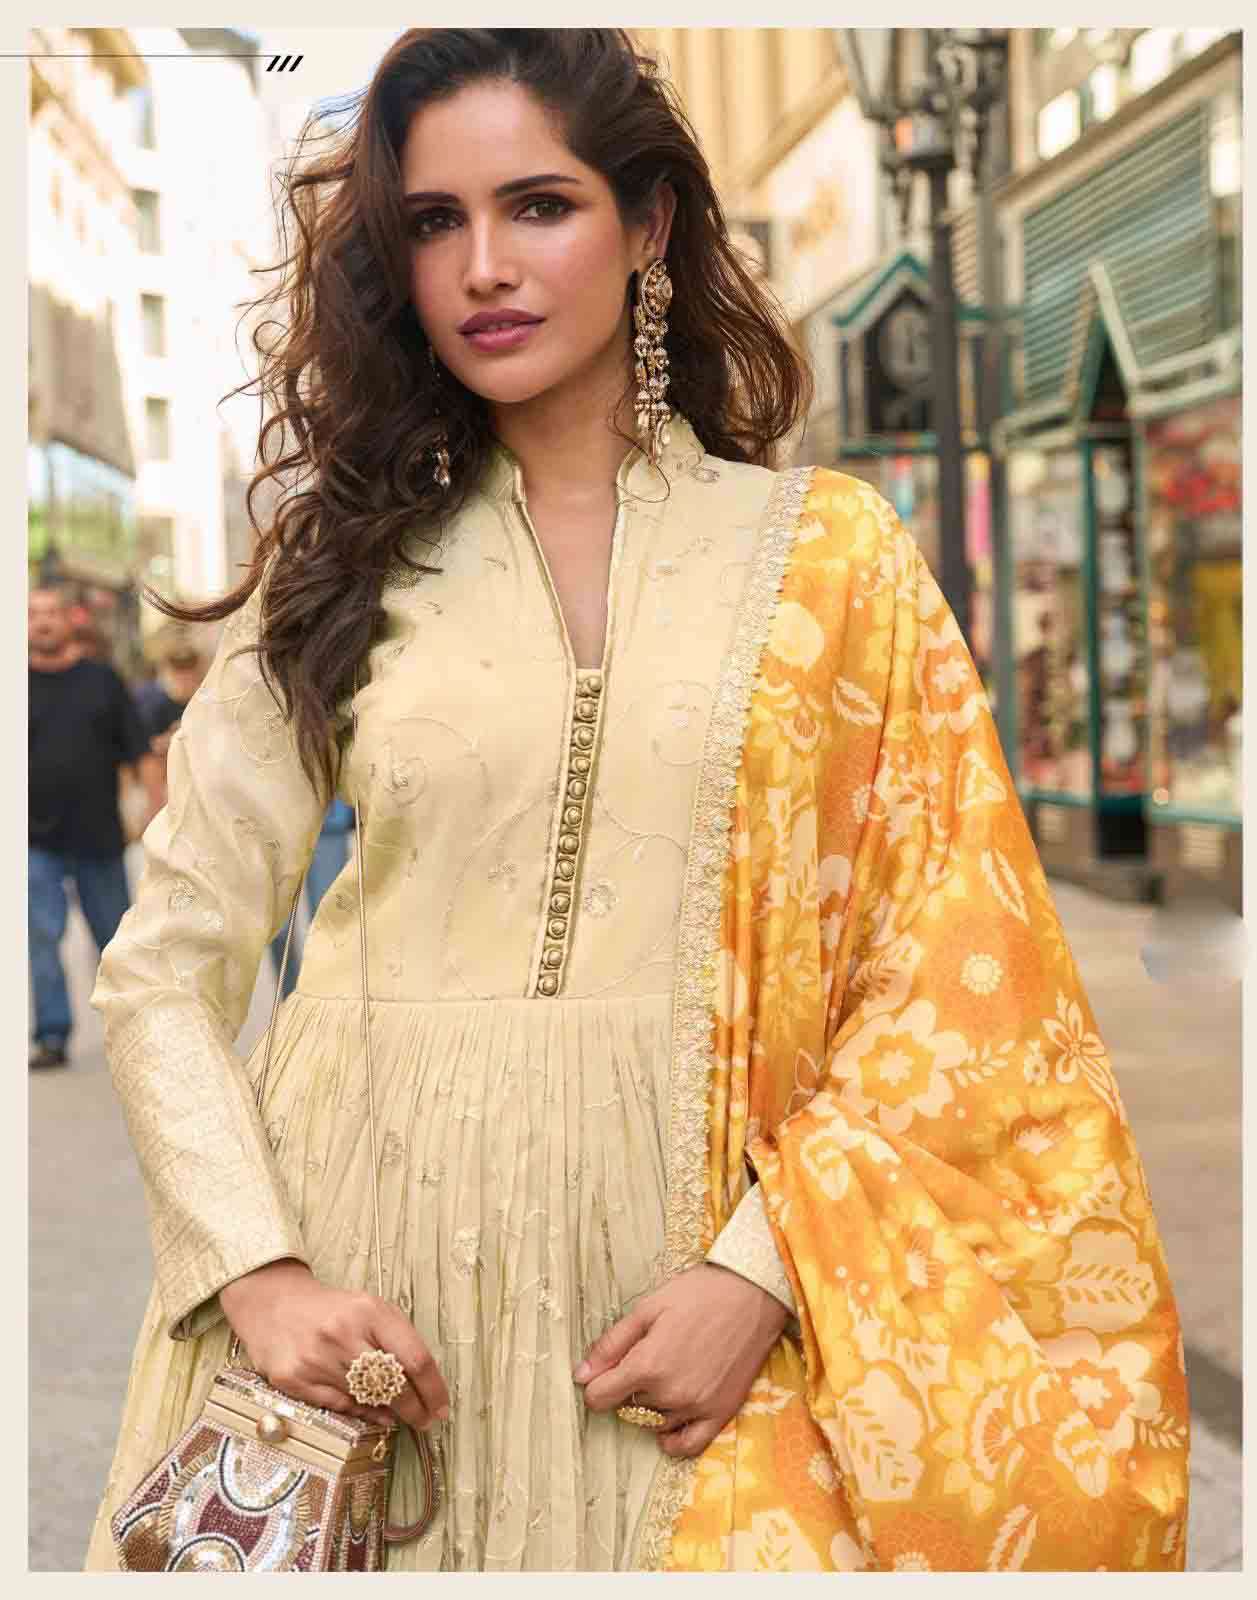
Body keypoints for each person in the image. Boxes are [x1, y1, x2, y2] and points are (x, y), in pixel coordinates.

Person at [86, 30, 1188, 1572]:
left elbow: (957, 975)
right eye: (434, 222)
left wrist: (764, 1269)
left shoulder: (830, 557)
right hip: (360, 1300)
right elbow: (165, 966)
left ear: (648, 224)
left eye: (539, 206)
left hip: (688, 1292)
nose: (484, 266)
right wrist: (257, 1273)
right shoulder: (335, 571)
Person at [28, 583, 162, 1070]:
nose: (42, 621)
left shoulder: (102, 681)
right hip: (31, 840)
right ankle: (52, 1036)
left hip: (99, 837)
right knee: (40, 937)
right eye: (33, 614)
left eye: (51, 612)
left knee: (114, 940)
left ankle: (128, 1027)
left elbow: (140, 752)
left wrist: (157, 816)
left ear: (71, 620)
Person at [267, 798, 355, 999]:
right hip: (275, 820)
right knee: (278, 931)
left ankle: (326, 1001)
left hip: (329, 817)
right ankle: (291, 1000)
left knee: (331, 924)